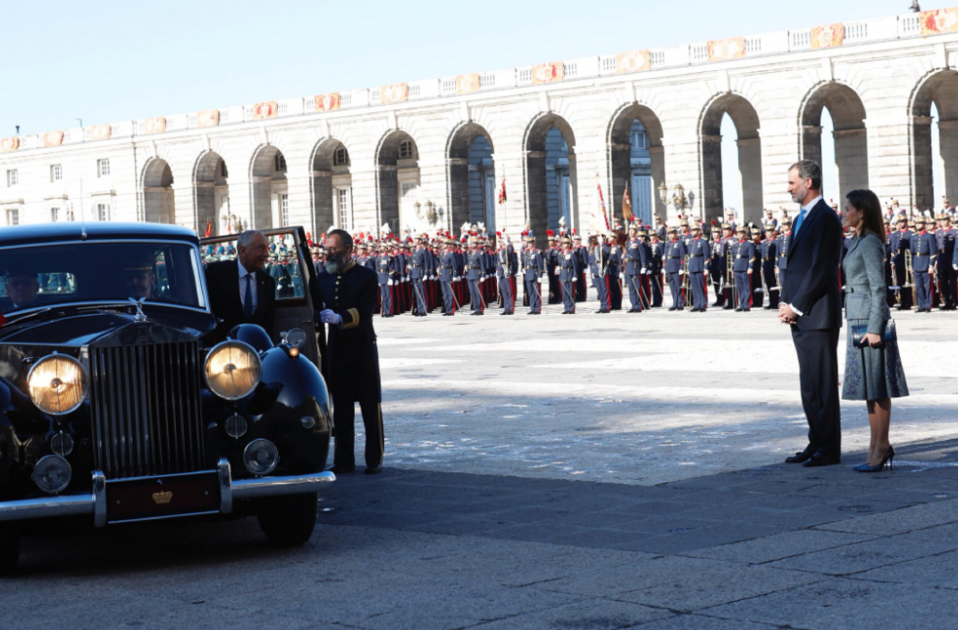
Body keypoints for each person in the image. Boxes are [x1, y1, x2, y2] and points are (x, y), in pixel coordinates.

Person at [779, 160, 844, 468]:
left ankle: (829, 448)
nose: (789, 188)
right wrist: (784, 302)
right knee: (809, 385)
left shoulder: (826, 218)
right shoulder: (801, 218)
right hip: (800, 313)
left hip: (817, 314)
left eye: (792, 182)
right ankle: (815, 441)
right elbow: (793, 266)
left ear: (808, 182)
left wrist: (796, 305)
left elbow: (821, 269)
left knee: (824, 384)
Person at [841, 190, 909, 472]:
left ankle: (882, 446)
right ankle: (874, 446)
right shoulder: (856, 241)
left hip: (869, 321)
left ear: (862, 212)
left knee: (879, 389)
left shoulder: (869, 243)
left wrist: (875, 327)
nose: (844, 213)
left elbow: (878, 287)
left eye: (848, 209)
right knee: (869, 389)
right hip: (856, 319)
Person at [316, 229, 384, 476]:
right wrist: (320, 312)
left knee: (369, 404)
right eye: (327, 249)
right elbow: (315, 308)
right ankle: (344, 459)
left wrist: (340, 317)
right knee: (341, 407)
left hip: (362, 348)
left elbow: (366, 310)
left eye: (333, 249)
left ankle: (373, 458)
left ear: (347, 249)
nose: (329, 254)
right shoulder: (322, 278)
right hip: (337, 349)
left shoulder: (366, 275)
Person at [205, 230, 277, 344]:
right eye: (261, 248)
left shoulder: (268, 282)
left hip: (256, 349)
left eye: (267, 248)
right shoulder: (217, 273)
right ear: (243, 251)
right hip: (223, 348)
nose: (266, 254)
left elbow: (268, 325)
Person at [910, 217, 937, 313]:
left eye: (920, 223)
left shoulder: (929, 236)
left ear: (924, 224)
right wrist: (912, 267)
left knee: (928, 286)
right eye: (916, 223)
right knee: (919, 286)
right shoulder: (913, 237)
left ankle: (928, 305)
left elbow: (933, 252)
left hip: (926, 263)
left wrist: (931, 265)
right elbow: (912, 253)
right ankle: (921, 305)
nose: (918, 225)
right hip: (917, 263)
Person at [686, 224, 709, 312]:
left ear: (699, 231)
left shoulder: (703, 241)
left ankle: (703, 304)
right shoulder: (690, 242)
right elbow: (689, 256)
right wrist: (688, 268)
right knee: (694, 287)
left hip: (700, 266)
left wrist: (706, 268)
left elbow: (707, 256)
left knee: (701, 286)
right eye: (692, 230)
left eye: (695, 230)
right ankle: (696, 304)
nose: (692, 232)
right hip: (692, 267)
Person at [664, 227, 686, 311]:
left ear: (676, 233)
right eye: (669, 233)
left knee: (678, 286)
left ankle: (680, 303)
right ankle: (675, 303)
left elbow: (683, 255)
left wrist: (682, 267)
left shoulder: (680, 242)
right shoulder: (668, 243)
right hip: (669, 266)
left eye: (672, 233)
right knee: (672, 287)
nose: (671, 235)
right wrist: (664, 267)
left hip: (677, 266)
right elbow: (665, 256)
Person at [522, 235, 545, 315]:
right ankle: (532, 308)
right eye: (528, 243)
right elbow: (525, 262)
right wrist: (524, 268)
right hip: (528, 274)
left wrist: (540, 276)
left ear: (534, 243)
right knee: (530, 293)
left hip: (534, 274)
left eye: (531, 243)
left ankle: (537, 309)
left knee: (536, 292)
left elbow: (540, 265)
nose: (530, 244)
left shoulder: (538, 252)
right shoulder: (526, 252)